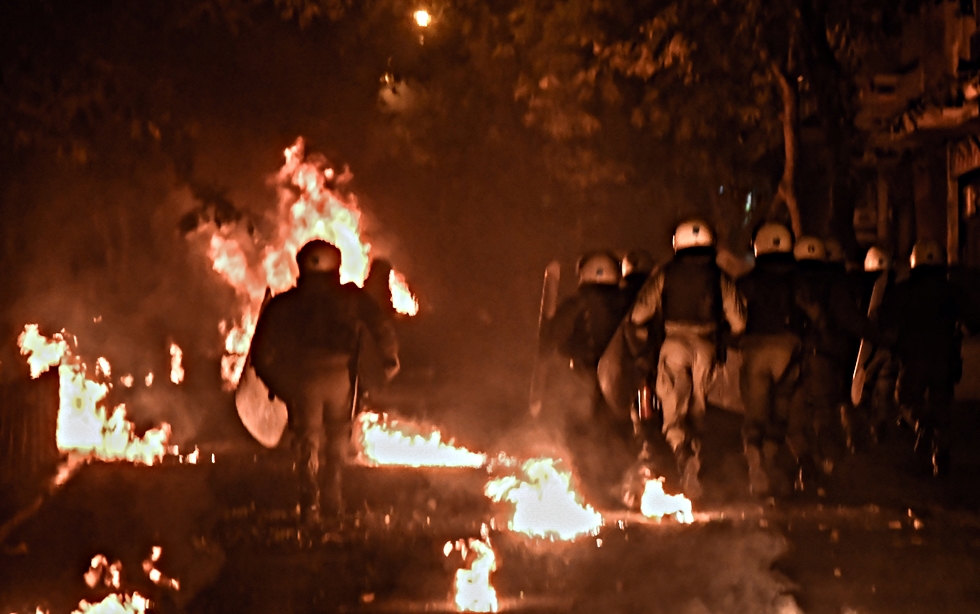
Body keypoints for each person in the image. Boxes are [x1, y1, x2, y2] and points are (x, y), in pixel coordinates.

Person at [251, 240, 400, 529]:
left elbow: (261, 353)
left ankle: (310, 508)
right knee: (337, 439)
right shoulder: (352, 299)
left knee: (308, 442)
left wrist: (280, 385)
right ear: (337, 266)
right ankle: (333, 501)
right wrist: (388, 363)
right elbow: (382, 329)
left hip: (303, 379)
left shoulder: (284, 303)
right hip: (340, 377)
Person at [628, 219, 745, 500]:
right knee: (699, 412)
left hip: (674, 345)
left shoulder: (665, 274)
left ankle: (682, 455)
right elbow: (739, 322)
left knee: (673, 414)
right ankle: (698, 465)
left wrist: (644, 344)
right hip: (707, 347)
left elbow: (637, 316)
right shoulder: (719, 276)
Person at [881, 240, 976, 475]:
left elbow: (884, 321)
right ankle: (941, 457)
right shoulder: (953, 290)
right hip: (945, 357)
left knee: (906, 398)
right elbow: (974, 321)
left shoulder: (903, 290)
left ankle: (920, 423)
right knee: (942, 406)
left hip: (913, 358)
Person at [545, 250, 632, 504]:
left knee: (585, 429)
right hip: (622, 377)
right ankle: (618, 483)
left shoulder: (576, 304)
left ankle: (592, 487)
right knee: (618, 429)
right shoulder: (628, 302)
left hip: (584, 375)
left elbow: (556, 339)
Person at [737, 222, 815, 497]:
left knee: (755, 417)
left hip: (755, 349)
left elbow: (733, 317)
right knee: (780, 417)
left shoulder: (747, 281)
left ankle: (756, 467)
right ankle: (769, 466)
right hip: (790, 350)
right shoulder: (800, 279)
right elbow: (814, 313)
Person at [792, 236, 871, 486]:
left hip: (794, 357)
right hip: (824, 359)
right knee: (823, 415)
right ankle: (828, 465)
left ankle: (806, 463)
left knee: (793, 415)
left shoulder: (792, 282)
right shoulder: (836, 285)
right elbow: (850, 319)